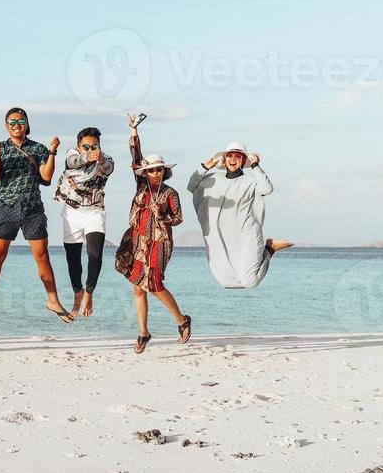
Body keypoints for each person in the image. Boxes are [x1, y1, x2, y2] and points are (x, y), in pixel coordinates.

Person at [0, 107, 74, 326]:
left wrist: (53, 152)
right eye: (12, 122)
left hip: (32, 207)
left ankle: (53, 301)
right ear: (6, 126)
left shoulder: (38, 148)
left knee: (42, 255)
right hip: (6, 206)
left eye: (21, 121)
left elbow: (46, 176)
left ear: (27, 124)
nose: (16, 125)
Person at [113, 114, 191, 352]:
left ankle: (181, 320)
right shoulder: (141, 187)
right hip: (138, 240)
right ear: (145, 173)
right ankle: (144, 332)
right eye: (151, 170)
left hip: (160, 242)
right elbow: (135, 157)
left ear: (164, 171)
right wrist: (134, 131)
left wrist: (161, 215)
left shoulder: (171, 194)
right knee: (137, 286)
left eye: (158, 170)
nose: (155, 173)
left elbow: (178, 219)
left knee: (154, 284)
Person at [187, 142, 294, 289]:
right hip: (221, 236)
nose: (232, 159)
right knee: (225, 280)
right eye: (229, 155)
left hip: (246, 234)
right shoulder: (212, 179)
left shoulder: (250, 182)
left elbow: (267, 188)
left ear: (243, 161)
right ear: (224, 160)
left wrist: (256, 166)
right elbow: (191, 186)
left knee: (250, 281)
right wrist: (205, 167)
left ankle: (270, 248)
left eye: (237, 156)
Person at [53, 126, 115, 318]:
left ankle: (89, 292)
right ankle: (77, 292)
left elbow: (108, 169)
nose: (90, 149)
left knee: (94, 253)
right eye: (86, 146)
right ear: (79, 146)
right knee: (73, 260)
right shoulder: (72, 155)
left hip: (94, 211)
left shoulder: (106, 159)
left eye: (94, 146)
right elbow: (72, 163)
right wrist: (87, 157)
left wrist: (100, 159)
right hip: (72, 212)